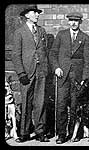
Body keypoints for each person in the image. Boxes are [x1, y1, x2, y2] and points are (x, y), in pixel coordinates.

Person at [49, 12, 89, 144]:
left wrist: (85, 77)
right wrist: (56, 67)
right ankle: (61, 134)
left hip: (77, 78)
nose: (73, 23)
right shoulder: (61, 35)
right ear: (68, 22)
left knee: (75, 107)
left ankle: (74, 133)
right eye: (71, 20)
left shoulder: (84, 37)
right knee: (61, 105)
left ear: (80, 22)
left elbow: (87, 60)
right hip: (63, 76)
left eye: (76, 21)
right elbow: (53, 53)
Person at [12, 5, 50, 142]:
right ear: (27, 15)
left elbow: (45, 51)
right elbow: (16, 55)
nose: (37, 15)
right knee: (26, 102)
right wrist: (21, 73)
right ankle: (24, 133)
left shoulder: (42, 31)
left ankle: (40, 132)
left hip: (41, 72)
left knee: (40, 103)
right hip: (27, 73)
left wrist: (46, 69)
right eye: (34, 12)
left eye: (37, 13)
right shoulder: (19, 32)